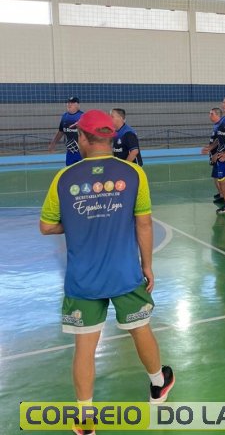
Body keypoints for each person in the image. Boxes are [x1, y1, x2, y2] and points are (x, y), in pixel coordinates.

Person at [39, 110, 174, 434]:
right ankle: (158, 384)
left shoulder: (64, 178)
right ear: (110, 138)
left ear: (82, 138)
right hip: (125, 273)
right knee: (140, 329)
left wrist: (76, 222)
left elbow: (46, 226)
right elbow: (143, 223)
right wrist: (147, 266)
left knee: (85, 347)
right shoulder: (133, 174)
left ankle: (85, 420)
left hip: (82, 278)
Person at [48, 96, 84, 166]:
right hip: (70, 152)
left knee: (83, 171)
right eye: (68, 103)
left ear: (78, 105)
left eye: (72, 103)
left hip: (82, 151)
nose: (69, 104)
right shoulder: (65, 116)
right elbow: (61, 131)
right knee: (69, 171)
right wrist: (53, 143)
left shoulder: (82, 116)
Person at [200, 107, 224, 205]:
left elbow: (221, 141)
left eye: (211, 114)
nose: (209, 116)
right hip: (214, 153)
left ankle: (223, 196)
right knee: (216, 176)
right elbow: (215, 140)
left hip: (217, 155)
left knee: (217, 177)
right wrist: (209, 147)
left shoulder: (221, 125)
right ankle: (221, 193)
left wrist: (216, 153)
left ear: (217, 115)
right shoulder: (216, 125)